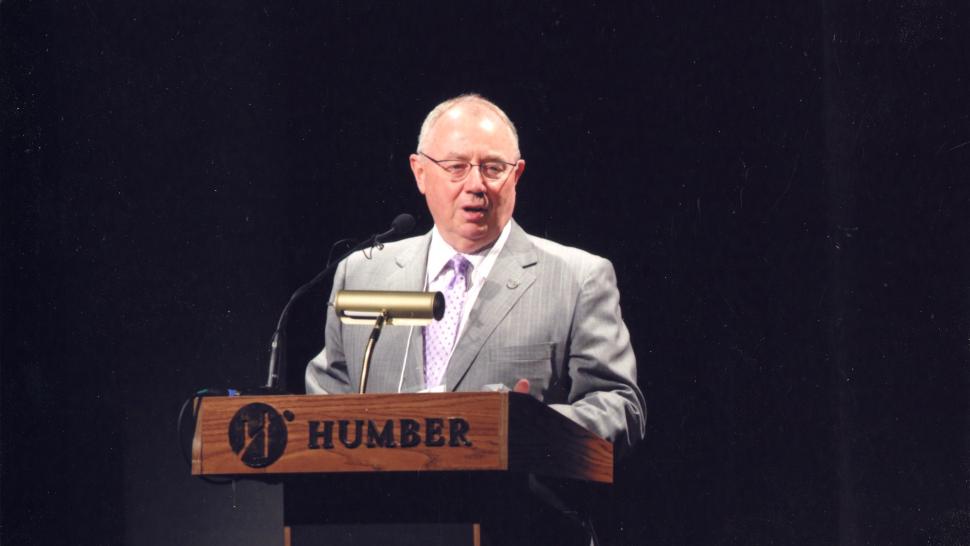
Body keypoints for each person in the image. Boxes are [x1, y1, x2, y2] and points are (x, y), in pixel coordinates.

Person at [306, 94, 646, 451]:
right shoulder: (362, 274)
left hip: (511, 501)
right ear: (419, 173)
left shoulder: (578, 279)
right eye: (455, 167)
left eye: (494, 168)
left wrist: (531, 426)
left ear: (517, 175)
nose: (476, 185)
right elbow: (327, 395)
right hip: (384, 502)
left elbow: (621, 407)